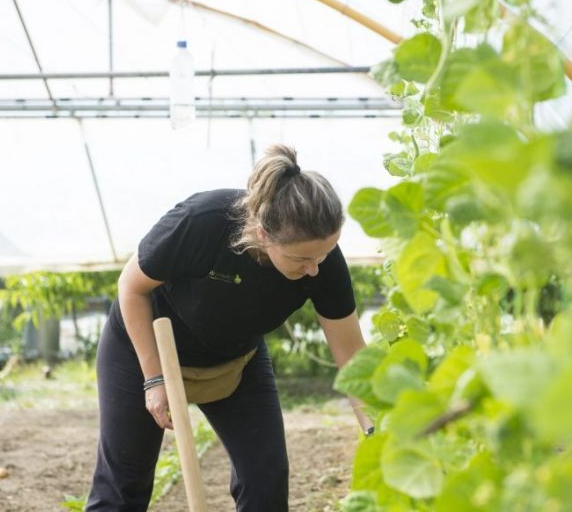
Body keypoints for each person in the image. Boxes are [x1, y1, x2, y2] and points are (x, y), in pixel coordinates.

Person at [86, 144, 373, 511]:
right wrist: (154, 379)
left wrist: (375, 430)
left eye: (324, 253)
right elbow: (131, 286)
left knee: (266, 480)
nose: (315, 268)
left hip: (237, 358)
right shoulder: (202, 222)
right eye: (302, 258)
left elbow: (351, 355)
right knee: (123, 486)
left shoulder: (322, 263)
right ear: (264, 233)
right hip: (144, 349)